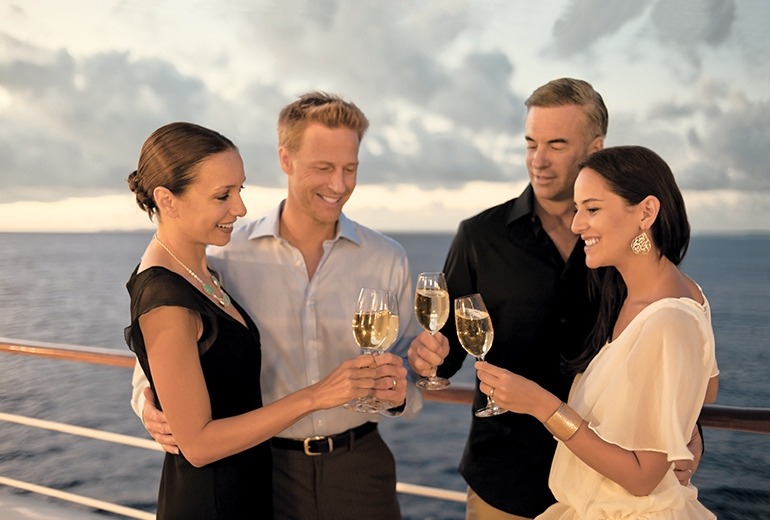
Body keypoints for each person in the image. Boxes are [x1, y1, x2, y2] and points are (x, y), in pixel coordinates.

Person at [407, 78, 705, 519]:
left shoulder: (628, 245)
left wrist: (685, 429)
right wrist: (426, 355)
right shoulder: (480, 236)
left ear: (595, 146)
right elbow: (444, 356)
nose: (538, 161)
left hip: (609, 491)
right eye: (530, 144)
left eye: (557, 144)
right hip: (504, 484)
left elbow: (668, 350)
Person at [132, 93, 422, 520]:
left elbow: (408, 362)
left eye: (350, 169)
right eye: (323, 168)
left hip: (360, 467)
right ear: (286, 159)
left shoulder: (388, 256)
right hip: (265, 468)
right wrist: (145, 401)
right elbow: (161, 349)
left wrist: (408, 383)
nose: (339, 185)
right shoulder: (224, 252)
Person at [475, 145, 719, 518]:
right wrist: (673, 421)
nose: (576, 225)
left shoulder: (666, 319)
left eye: (592, 209)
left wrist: (543, 406)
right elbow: (707, 385)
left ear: (646, 212)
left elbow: (642, 479)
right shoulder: (678, 292)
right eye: (577, 210)